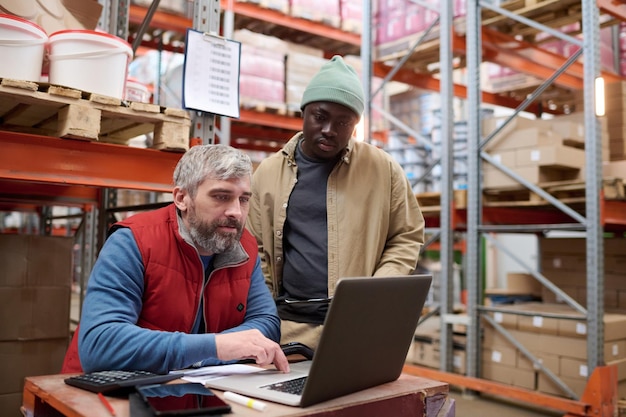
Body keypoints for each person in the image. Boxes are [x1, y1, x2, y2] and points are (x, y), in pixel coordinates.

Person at [246, 55, 425, 349]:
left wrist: (376, 291)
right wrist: (266, 317)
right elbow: (258, 251)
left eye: (343, 122)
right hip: (289, 328)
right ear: (303, 113)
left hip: (359, 326)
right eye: (320, 116)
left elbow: (406, 235)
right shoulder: (267, 173)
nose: (330, 129)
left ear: (355, 125)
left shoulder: (382, 169)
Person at [61, 144, 289, 374]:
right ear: (181, 198)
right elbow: (101, 345)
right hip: (106, 393)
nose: (236, 212)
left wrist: (204, 356)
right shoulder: (134, 242)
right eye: (221, 196)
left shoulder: (244, 248)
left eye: (243, 200)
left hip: (193, 388)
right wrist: (215, 347)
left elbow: (266, 323)